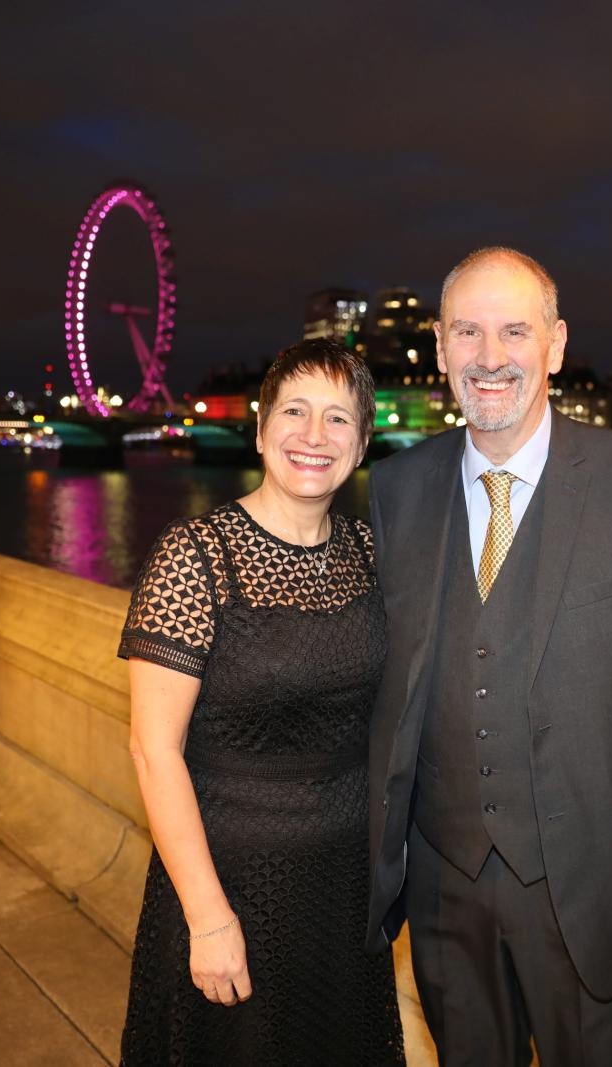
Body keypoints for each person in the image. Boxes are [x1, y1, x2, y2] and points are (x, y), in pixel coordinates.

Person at [366, 247, 612, 1065]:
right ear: (439, 347)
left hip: (596, 887)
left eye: (514, 331)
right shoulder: (396, 489)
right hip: (443, 887)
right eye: (468, 332)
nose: (490, 356)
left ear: (556, 344)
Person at [118, 340, 404, 1065]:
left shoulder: (372, 554)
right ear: (260, 428)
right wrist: (208, 916)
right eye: (295, 411)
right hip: (233, 883)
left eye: (338, 418)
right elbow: (153, 750)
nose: (315, 435)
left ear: (362, 443)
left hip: (346, 888)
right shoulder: (195, 558)